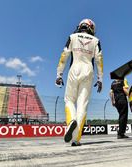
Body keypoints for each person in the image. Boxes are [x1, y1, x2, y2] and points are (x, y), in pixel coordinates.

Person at [55, 18, 103, 146]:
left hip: (74, 68)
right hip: (89, 70)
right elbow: (99, 60)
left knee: (69, 100)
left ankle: (71, 121)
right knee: (83, 104)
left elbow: (64, 56)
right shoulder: (96, 40)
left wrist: (59, 74)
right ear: (91, 28)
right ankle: (76, 139)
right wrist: (100, 79)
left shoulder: (72, 36)